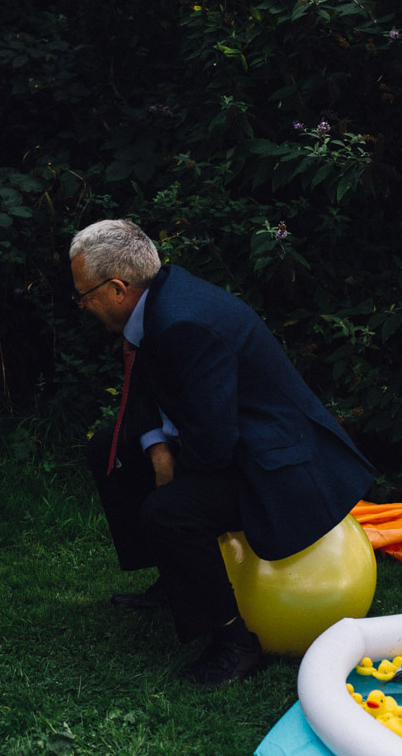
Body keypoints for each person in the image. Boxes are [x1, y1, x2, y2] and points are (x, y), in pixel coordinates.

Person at [69, 219, 374, 686]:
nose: (83, 305)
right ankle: (174, 581)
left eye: (84, 295)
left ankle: (235, 641)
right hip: (229, 437)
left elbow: (213, 444)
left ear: (117, 288)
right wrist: (155, 452)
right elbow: (146, 385)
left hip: (275, 463)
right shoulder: (159, 298)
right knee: (108, 447)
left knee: (168, 513)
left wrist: (172, 481)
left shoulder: (182, 323)